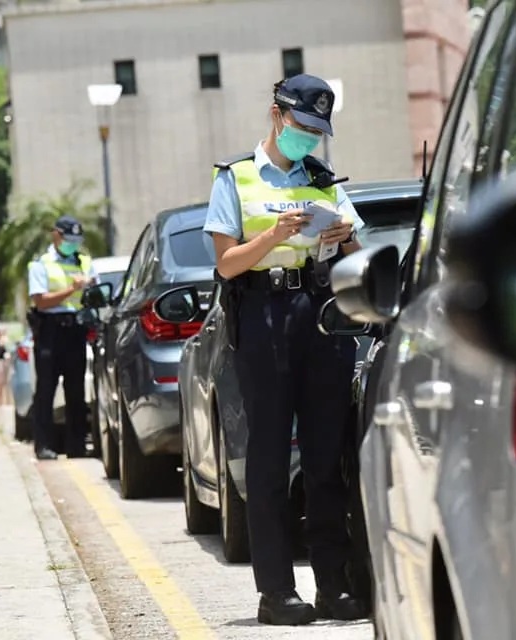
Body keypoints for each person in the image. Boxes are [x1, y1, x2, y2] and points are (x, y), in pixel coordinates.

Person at [204, 74, 366, 626]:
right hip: (263, 314)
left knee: (325, 456)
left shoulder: (324, 180)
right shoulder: (236, 178)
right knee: (270, 458)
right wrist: (273, 236)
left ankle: (333, 585)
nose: (310, 139)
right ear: (277, 115)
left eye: (318, 131)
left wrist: (343, 235)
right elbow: (226, 263)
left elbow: (355, 254)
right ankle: (276, 591)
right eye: (302, 127)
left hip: (321, 315)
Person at [27, 216, 98, 460]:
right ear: (56, 235)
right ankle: (44, 445)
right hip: (50, 330)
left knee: (76, 390)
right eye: (68, 239)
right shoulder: (40, 264)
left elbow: (95, 293)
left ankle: (76, 445)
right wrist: (72, 288)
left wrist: (90, 288)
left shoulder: (85, 261)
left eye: (76, 241)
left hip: (75, 329)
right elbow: (40, 301)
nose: (73, 245)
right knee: (46, 389)